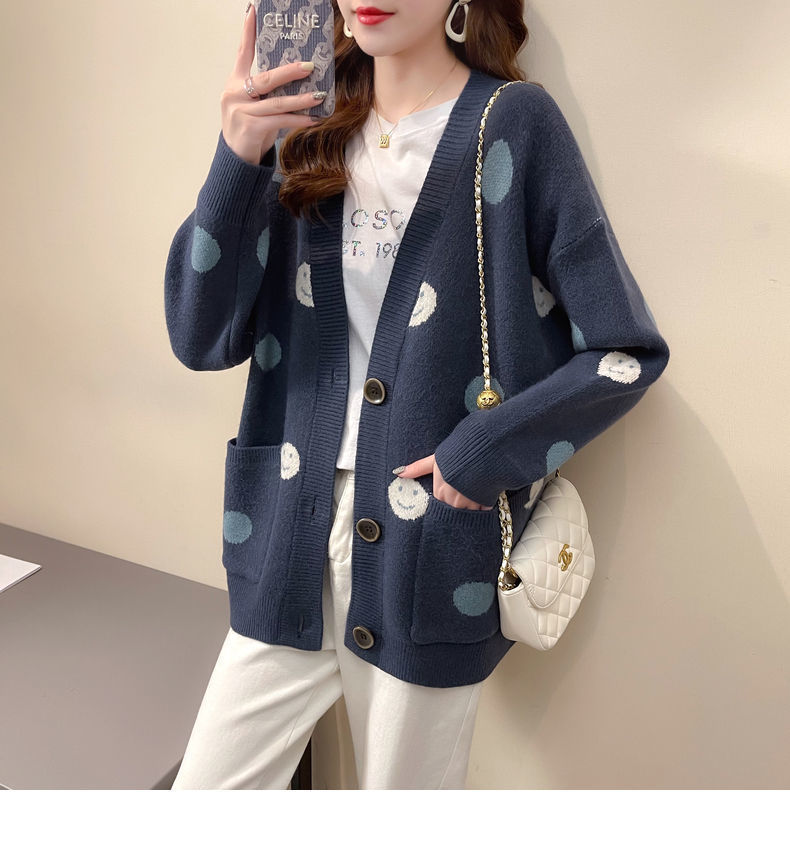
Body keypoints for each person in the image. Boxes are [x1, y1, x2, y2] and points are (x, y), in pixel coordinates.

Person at [165, 0, 670, 789]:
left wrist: (482, 454)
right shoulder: (301, 125)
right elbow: (200, 338)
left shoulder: (512, 124)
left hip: (429, 545)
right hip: (286, 536)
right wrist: (238, 156)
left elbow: (625, 351)